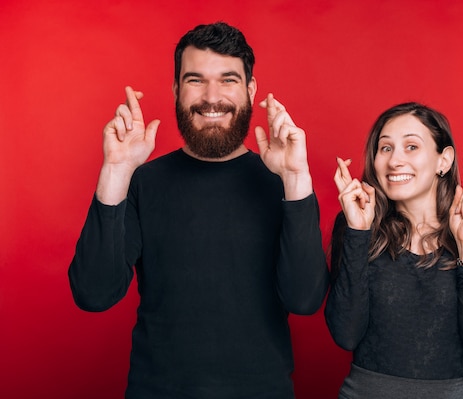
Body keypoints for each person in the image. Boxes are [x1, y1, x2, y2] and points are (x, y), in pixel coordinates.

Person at [68, 22, 329, 399]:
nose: (211, 97)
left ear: (250, 90)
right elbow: (94, 294)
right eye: (195, 80)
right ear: (176, 90)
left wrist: (296, 178)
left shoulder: (283, 183)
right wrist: (116, 172)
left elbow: (305, 300)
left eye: (228, 80)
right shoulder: (143, 181)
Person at [324, 102, 463, 399]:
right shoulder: (356, 224)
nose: (394, 160)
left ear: (444, 161)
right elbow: (346, 335)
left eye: (411, 147)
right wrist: (358, 233)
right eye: (385, 148)